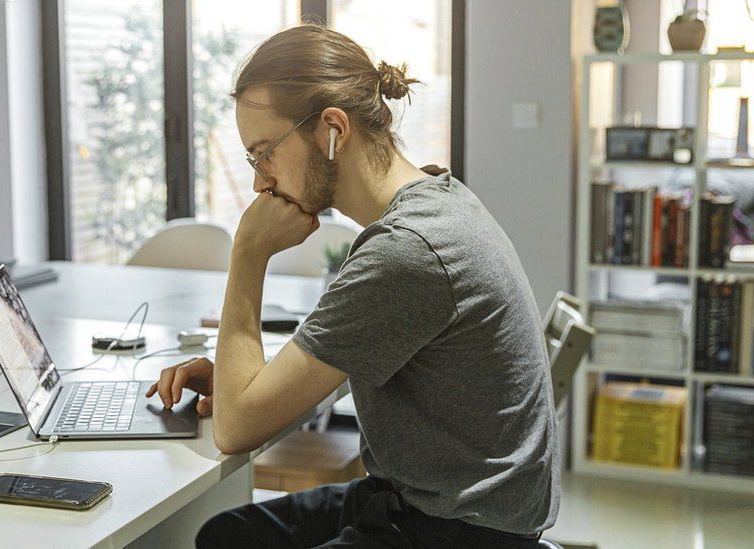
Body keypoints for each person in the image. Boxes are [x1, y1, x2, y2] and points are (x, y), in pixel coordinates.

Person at [146, 24, 559, 548]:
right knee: (229, 534)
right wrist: (237, 383)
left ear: (332, 129)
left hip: (457, 531)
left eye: (264, 152)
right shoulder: (439, 196)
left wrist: (247, 255)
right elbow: (274, 390)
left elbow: (237, 429)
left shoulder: (407, 251)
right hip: (439, 505)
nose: (259, 182)